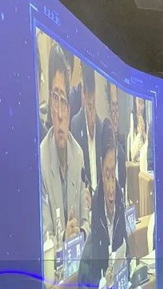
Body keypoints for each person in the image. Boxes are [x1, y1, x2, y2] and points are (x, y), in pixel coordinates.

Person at [76, 120, 128, 289]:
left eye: (114, 175)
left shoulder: (121, 214)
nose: (112, 188)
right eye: (107, 175)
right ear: (100, 169)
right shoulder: (89, 253)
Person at [40, 43, 90, 245]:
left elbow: (87, 220)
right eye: (55, 98)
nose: (60, 114)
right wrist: (64, 239)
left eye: (64, 101)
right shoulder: (40, 161)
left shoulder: (78, 154)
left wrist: (80, 234)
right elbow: (44, 239)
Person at [71, 63, 101, 197]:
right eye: (89, 107)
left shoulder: (101, 127)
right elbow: (75, 172)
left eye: (94, 106)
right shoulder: (75, 125)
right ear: (83, 95)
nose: (92, 117)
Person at [105, 81, 127, 199]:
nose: (115, 116)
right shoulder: (101, 154)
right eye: (112, 108)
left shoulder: (122, 154)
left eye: (116, 109)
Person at [128, 96, 149, 172]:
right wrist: (139, 133)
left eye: (142, 103)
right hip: (135, 169)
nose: (140, 107)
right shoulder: (132, 122)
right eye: (139, 103)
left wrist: (143, 134)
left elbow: (149, 149)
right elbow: (132, 155)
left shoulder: (147, 124)